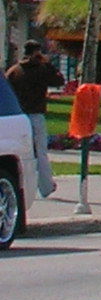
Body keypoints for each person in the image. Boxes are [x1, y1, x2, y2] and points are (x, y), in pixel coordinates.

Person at [5, 39, 63, 199]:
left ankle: (24, 186)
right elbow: (59, 80)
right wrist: (48, 63)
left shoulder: (14, 71)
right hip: (36, 115)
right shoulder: (43, 69)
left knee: (21, 153)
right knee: (41, 152)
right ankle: (45, 186)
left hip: (18, 116)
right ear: (37, 52)